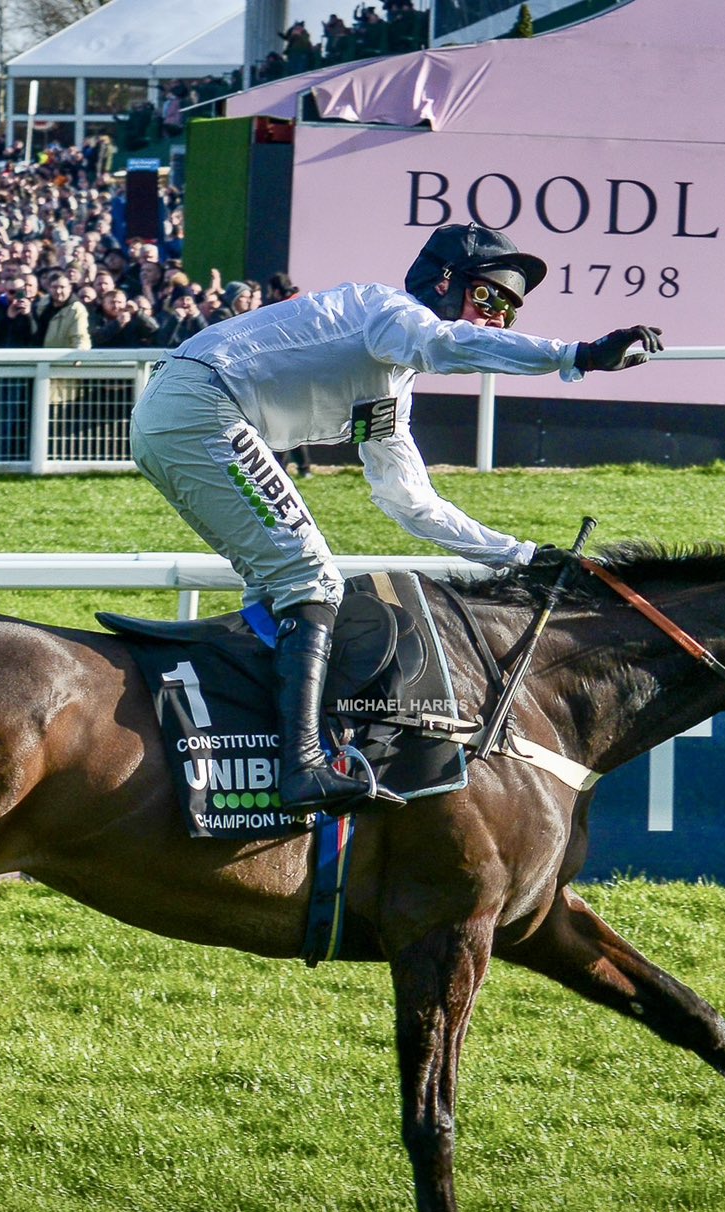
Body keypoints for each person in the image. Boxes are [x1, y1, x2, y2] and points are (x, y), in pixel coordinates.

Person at [129, 222, 662, 815]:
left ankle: (249, 740)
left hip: (186, 415)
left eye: (510, 311)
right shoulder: (390, 314)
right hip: (200, 408)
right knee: (311, 578)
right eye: (488, 296)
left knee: (282, 587)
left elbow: (411, 502)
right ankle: (302, 767)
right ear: (443, 282)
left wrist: (522, 555)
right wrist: (575, 355)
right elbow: (446, 344)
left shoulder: (388, 387)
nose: (496, 318)